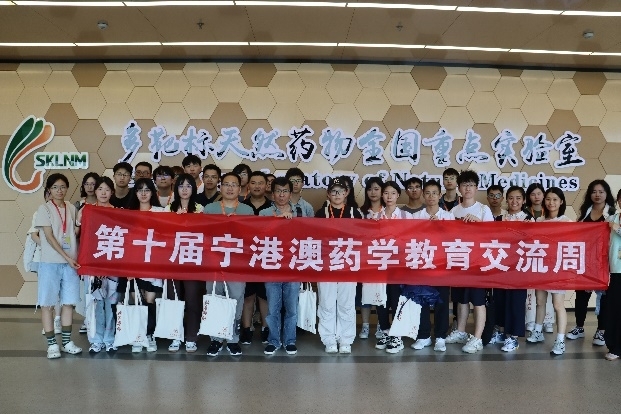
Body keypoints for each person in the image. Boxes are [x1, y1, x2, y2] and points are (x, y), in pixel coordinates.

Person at [204, 172, 254, 356]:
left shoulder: (247, 211)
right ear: (220, 187)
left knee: (236, 300)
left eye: (234, 185)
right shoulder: (210, 209)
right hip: (213, 262)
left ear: (240, 189)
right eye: (226, 184)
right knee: (214, 299)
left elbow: (251, 237)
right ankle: (215, 339)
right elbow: (203, 234)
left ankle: (233, 338)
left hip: (237, 264)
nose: (230, 188)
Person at [445, 170, 493, 354]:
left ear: (476, 188)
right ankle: (461, 331)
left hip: (478, 264)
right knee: (461, 300)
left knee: (478, 301)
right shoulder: (454, 211)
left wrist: (479, 222)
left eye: (471, 185)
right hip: (459, 261)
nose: (468, 188)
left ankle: (477, 338)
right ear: (459, 188)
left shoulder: (483, 210)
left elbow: (493, 237)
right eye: (464, 185)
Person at [35, 173, 82, 359]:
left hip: (70, 263)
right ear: (49, 190)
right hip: (50, 263)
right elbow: (49, 237)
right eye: (55, 187)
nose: (59, 190)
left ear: (67, 188)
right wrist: (67, 257)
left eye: (62, 187)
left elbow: (74, 231)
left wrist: (82, 220)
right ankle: (52, 344)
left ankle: (67, 342)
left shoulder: (71, 207)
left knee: (68, 302)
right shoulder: (44, 209)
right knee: (47, 303)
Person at [315, 177, 362, 353]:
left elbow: (362, 237)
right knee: (326, 303)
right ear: (328, 194)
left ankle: (346, 340)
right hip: (326, 265)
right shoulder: (321, 213)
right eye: (333, 191)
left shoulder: (355, 213)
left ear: (346, 193)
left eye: (341, 191)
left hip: (348, 264)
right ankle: (329, 339)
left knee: (346, 304)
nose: (337, 194)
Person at [260, 177, 305, 355]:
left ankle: (290, 340)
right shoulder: (264, 213)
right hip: (272, 266)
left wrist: (293, 222)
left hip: (293, 267)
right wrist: (276, 222)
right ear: (272, 194)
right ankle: (273, 340)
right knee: (273, 308)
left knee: (292, 308)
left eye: (285, 191)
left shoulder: (300, 212)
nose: (281, 195)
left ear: (290, 193)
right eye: (278, 191)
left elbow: (308, 236)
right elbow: (258, 236)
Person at [567, 179, 615, 346]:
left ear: (607, 194)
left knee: (603, 298)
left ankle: (601, 330)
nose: (597, 195)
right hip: (585, 260)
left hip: (603, 261)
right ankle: (579, 327)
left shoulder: (612, 214)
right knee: (581, 295)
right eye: (594, 191)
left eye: (601, 192)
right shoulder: (585, 212)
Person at [411, 179, 455, 352]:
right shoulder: (416, 217)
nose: (431, 196)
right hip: (422, 264)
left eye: (434, 193)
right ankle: (424, 336)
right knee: (421, 300)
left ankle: (440, 336)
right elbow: (410, 239)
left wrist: (441, 227)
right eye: (427, 193)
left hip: (441, 265)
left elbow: (455, 240)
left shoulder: (448, 216)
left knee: (441, 301)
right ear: (423, 195)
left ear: (440, 195)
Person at [526, 187, 572, 355]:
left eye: (555, 199)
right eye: (548, 199)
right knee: (540, 301)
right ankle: (537, 331)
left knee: (558, 305)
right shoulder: (539, 221)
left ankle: (560, 340)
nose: (551, 202)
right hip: (541, 267)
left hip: (558, 269)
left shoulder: (566, 222)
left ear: (561, 202)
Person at [489, 186, 533, 352]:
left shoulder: (529, 220)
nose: (514, 201)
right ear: (506, 200)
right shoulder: (500, 218)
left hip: (519, 268)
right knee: (500, 299)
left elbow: (534, 243)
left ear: (523, 200)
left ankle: (513, 337)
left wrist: (529, 231)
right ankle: (501, 331)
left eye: (518, 198)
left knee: (516, 301)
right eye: (511, 198)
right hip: (501, 265)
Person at [165, 174, 205, 353]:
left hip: (192, 260)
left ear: (193, 189)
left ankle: (191, 337)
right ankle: (175, 336)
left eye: (188, 186)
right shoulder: (168, 209)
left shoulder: (199, 209)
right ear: (176, 189)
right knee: (173, 299)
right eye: (181, 186)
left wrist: (188, 221)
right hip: (172, 260)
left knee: (192, 299)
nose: (185, 189)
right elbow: (162, 233)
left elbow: (204, 233)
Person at [124, 178, 165, 353]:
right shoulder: (128, 214)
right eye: (140, 190)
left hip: (154, 264)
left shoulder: (161, 212)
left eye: (147, 190)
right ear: (135, 193)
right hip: (134, 264)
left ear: (152, 193)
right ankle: (138, 335)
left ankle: (149, 334)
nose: (143, 193)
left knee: (150, 300)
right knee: (136, 300)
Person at [373, 181, 412, 354]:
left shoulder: (405, 216)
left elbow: (411, 238)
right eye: (386, 193)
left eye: (393, 193)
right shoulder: (376, 216)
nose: (389, 196)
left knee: (396, 299)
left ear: (398, 196)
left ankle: (397, 335)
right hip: (380, 265)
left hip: (398, 265)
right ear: (382, 195)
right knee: (381, 299)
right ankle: (384, 330)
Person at [82, 176, 119, 353]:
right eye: (100, 189)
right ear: (94, 191)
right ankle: (96, 340)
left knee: (111, 304)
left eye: (107, 189)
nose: (103, 193)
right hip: (92, 265)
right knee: (95, 304)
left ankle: (110, 338)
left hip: (113, 266)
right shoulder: (87, 211)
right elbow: (84, 240)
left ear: (112, 192)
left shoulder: (119, 213)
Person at [240, 171, 272, 345]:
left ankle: (266, 328)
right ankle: (247, 329)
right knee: (248, 295)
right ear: (248, 185)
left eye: (261, 183)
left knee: (264, 295)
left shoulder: (272, 207)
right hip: (245, 256)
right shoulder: (241, 207)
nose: (257, 186)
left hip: (267, 255)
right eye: (253, 183)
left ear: (266, 186)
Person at [525, 183, 554, 333]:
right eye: (532, 194)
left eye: (539, 193)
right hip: (531, 254)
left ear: (544, 195)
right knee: (532, 291)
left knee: (548, 289)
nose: (536, 197)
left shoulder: (550, 211)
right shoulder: (524, 212)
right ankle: (531, 320)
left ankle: (548, 320)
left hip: (548, 256)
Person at [358, 176, 385, 340]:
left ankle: (382, 324)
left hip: (383, 258)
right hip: (365, 258)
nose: (373, 192)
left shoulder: (388, 211)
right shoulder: (360, 212)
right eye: (369, 189)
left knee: (381, 293)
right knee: (365, 293)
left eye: (376, 189)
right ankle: (365, 325)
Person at [605, 189, 621, 360]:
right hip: (614, 271)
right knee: (614, 309)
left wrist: (617, 229)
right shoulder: (612, 218)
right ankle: (614, 345)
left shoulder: (614, 224)